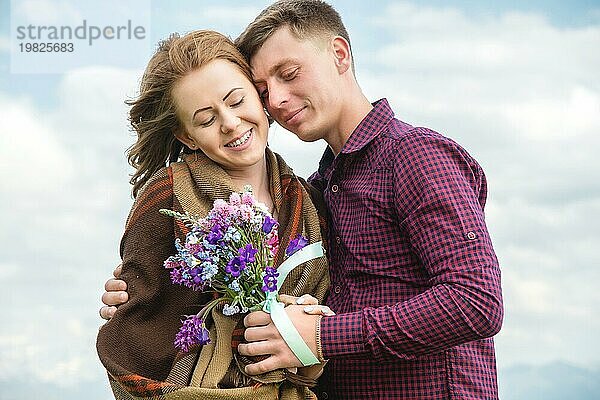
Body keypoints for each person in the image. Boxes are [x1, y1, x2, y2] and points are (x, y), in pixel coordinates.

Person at [102, 1, 504, 398]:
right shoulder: (319, 189)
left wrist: (321, 336)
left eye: (289, 74)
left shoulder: (413, 154)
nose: (276, 100)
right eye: (264, 89)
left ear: (339, 54)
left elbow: (477, 300)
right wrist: (139, 298)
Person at [96, 29, 332, 400]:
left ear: (260, 94)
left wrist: (308, 326)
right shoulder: (167, 198)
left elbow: (337, 315)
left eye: (236, 100)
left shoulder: (308, 201)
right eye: (206, 119)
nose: (231, 123)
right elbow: (133, 336)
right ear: (187, 136)